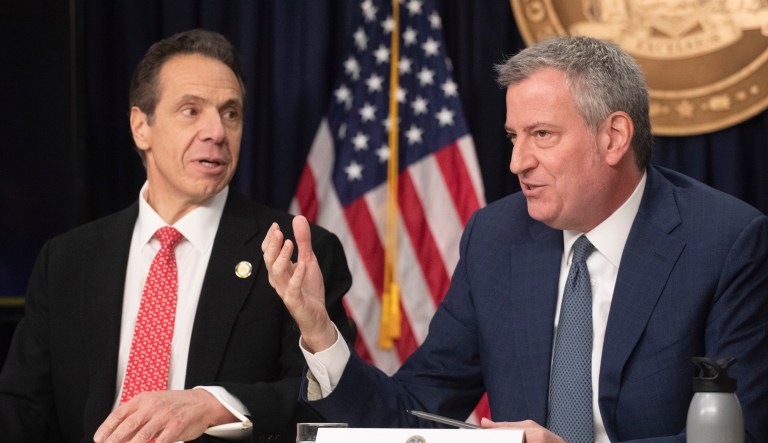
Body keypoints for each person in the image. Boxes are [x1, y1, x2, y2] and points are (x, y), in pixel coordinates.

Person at [262, 36, 768, 442]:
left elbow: (741, 432)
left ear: (614, 137)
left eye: (541, 135)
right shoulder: (495, 238)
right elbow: (412, 414)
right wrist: (320, 332)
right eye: (513, 136)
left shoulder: (725, 242)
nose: (517, 162)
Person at [0, 29, 353, 443]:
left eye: (231, 113)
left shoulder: (291, 252)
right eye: (191, 110)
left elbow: (328, 400)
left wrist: (215, 405)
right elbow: (22, 408)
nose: (217, 132)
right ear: (140, 127)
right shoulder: (67, 259)